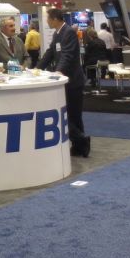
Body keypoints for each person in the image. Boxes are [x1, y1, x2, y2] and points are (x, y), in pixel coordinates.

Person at [37, 8, 90, 157]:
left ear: (54, 19)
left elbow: (67, 54)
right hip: (66, 82)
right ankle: (80, 144)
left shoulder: (68, 32)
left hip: (73, 81)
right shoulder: (57, 33)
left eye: (48, 18)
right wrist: (37, 69)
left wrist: (59, 70)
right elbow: (50, 53)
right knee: (71, 115)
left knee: (73, 115)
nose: (47, 21)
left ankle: (81, 142)